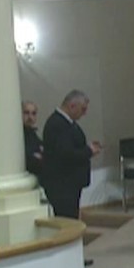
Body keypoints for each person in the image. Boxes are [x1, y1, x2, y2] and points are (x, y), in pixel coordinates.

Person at [41, 89, 102, 220]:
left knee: (72, 217)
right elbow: (65, 154)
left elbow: (71, 146)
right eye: (83, 109)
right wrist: (89, 151)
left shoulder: (67, 123)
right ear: (72, 105)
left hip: (70, 183)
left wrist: (87, 147)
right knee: (67, 220)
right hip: (62, 184)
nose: (85, 113)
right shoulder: (57, 124)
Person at [21, 101, 44, 178]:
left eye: (33, 113)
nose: (30, 117)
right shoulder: (18, 134)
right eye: (26, 113)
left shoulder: (32, 133)